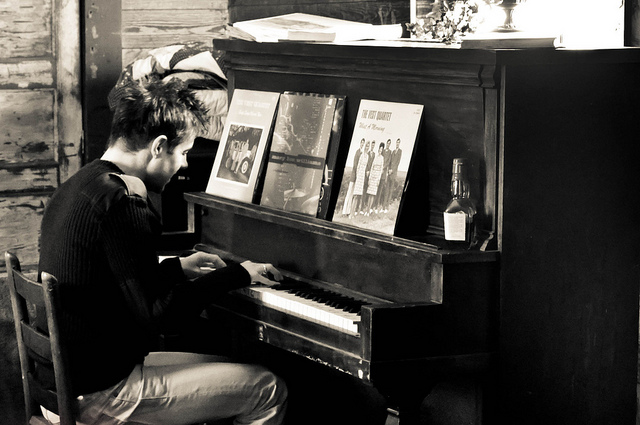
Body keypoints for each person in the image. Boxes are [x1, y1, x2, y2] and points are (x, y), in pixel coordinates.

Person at [38, 79, 288, 425]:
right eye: (183, 152)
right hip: (101, 392)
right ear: (159, 147)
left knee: (226, 367)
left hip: (62, 385)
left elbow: (120, 282)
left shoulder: (83, 183)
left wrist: (178, 267)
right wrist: (238, 274)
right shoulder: (125, 201)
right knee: (266, 388)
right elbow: (161, 316)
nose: (184, 165)